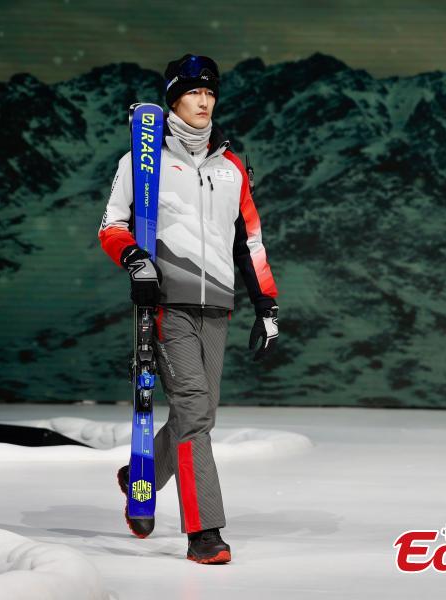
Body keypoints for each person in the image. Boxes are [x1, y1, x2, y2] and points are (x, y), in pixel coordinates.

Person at [97, 53, 279, 564]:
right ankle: (205, 533)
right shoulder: (142, 160)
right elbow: (112, 226)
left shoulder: (232, 167)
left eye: (211, 93)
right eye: (194, 92)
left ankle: (143, 475)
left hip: (217, 304)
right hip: (167, 304)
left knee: (199, 412)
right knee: (195, 413)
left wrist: (266, 304)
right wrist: (135, 260)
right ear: (173, 99)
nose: (204, 101)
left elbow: (249, 242)